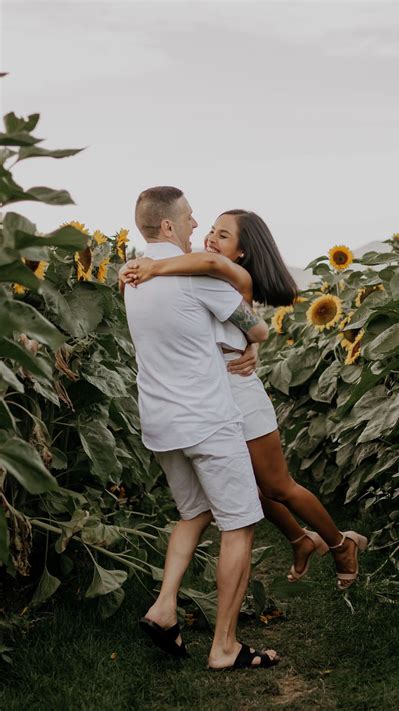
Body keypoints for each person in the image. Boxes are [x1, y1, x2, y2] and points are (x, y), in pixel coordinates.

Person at [121, 209, 368, 590]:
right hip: (208, 392)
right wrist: (252, 342)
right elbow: (240, 326)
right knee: (248, 487)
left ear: (241, 253)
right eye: (212, 232)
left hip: (237, 391)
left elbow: (210, 269)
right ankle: (300, 539)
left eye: (223, 236)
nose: (211, 240)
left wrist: (152, 266)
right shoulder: (199, 276)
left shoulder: (232, 276)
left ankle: (339, 545)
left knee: (276, 485)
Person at [124, 187, 279, 671]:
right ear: (168, 226)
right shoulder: (195, 278)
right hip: (207, 420)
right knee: (239, 524)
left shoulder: (129, 276)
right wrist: (254, 341)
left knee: (194, 513)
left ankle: (164, 607)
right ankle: (225, 647)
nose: (197, 229)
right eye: (190, 220)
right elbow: (256, 328)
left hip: (161, 423)